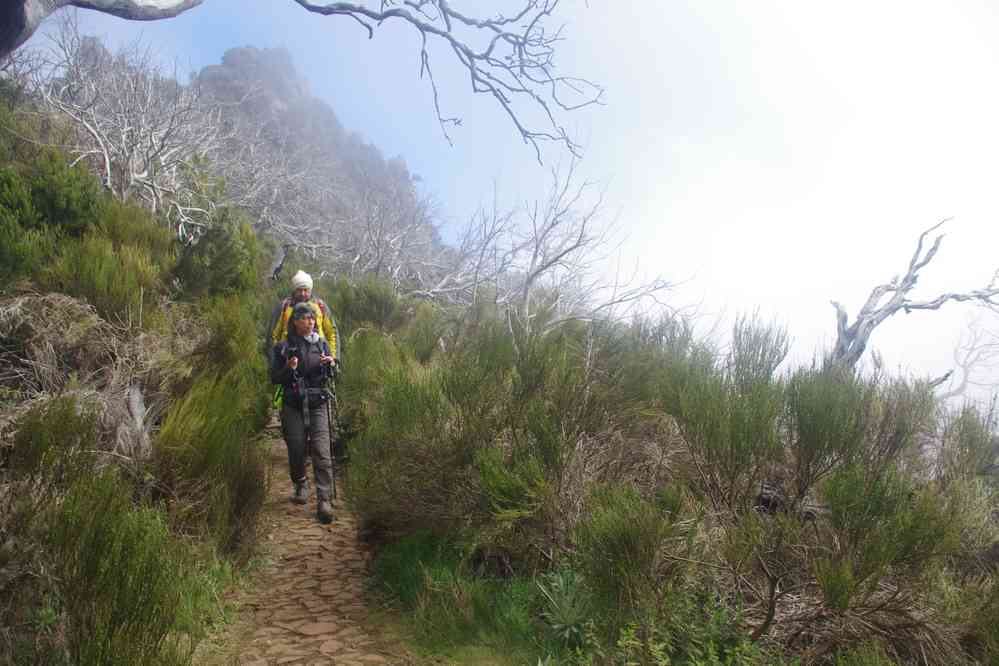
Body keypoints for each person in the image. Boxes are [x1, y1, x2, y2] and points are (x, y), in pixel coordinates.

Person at [271, 302, 340, 523]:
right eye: (305, 318)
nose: (310, 322)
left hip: (318, 401)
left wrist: (331, 364)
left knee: (321, 449)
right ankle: (300, 482)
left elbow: (334, 373)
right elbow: (274, 378)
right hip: (293, 403)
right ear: (295, 322)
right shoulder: (282, 348)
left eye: (312, 318)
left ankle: (324, 500)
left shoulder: (321, 345)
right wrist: (289, 368)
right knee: (297, 447)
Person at [268, 270, 339, 355]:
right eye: (299, 290)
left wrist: (333, 360)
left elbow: (331, 333)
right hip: (288, 357)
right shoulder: (284, 306)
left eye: (306, 290)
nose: (302, 293)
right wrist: (275, 359)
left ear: (310, 290)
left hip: (318, 358)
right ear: (294, 290)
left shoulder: (320, 306)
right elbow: (273, 336)